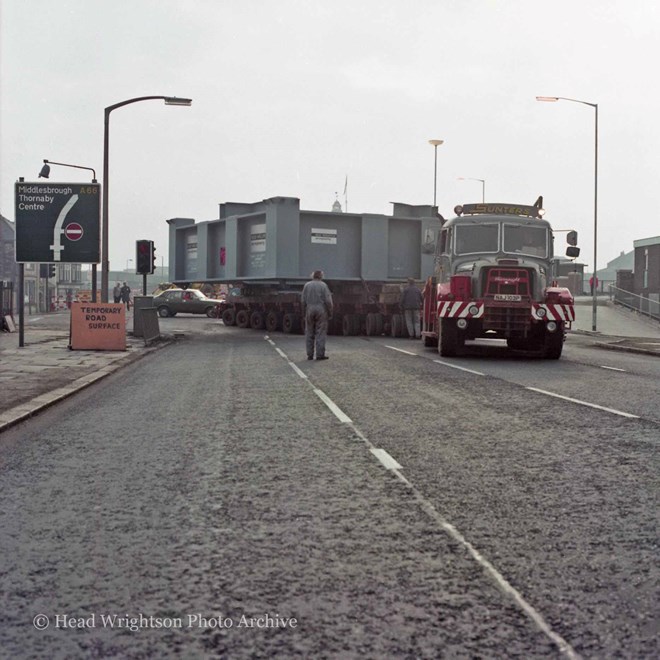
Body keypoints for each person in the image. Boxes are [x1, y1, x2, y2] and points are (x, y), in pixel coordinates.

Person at [301, 270, 333, 360]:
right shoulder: (323, 286)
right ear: (321, 276)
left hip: (309, 308)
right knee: (320, 332)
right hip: (321, 309)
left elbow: (303, 300)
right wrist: (330, 312)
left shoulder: (307, 285)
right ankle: (320, 355)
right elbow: (328, 301)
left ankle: (309, 354)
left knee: (309, 331)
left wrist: (304, 312)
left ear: (313, 276)